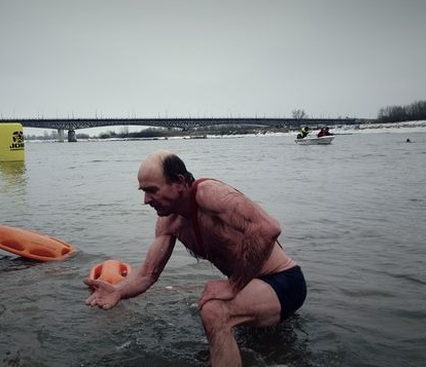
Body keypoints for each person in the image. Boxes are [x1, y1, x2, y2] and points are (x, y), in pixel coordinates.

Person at [84, 150, 306, 367]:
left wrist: (233, 285)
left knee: (214, 311)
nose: (145, 200)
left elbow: (268, 228)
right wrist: (119, 291)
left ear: (179, 182)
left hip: (284, 282)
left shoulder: (210, 194)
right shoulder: (168, 222)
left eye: (152, 190)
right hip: (250, 289)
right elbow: (148, 274)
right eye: (143, 191)